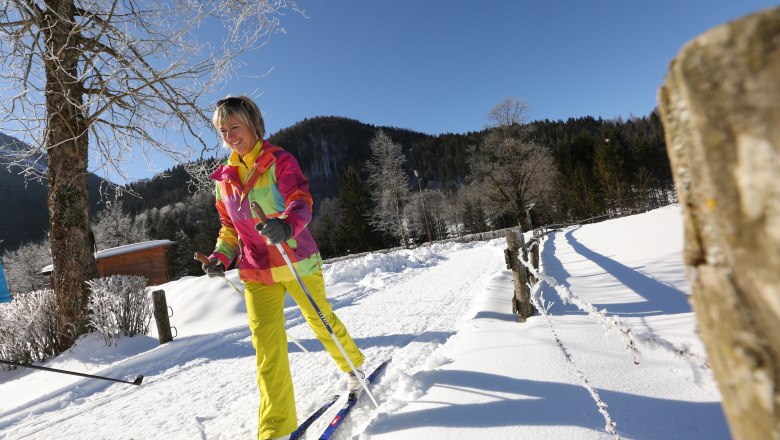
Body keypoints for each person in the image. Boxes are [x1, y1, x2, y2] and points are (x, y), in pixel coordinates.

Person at [202, 95, 366, 440]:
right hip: (256, 270)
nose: (230, 135)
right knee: (267, 349)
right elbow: (229, 227)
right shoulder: (224, 178)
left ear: (253, 125)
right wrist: (220, 256)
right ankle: (276, 429)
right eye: (223, 130)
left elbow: (301, 201)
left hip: (295, 260)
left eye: (235, 126)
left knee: (321, 322)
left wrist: (287, 224)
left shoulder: (279, 161)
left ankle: (354, 369)